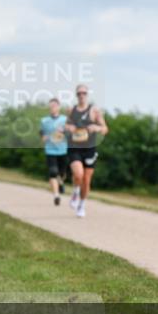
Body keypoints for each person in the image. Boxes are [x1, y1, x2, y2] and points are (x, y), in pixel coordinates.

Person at [65, 84, 108, 218]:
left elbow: (105, 129)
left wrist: (97, 127)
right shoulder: (71, 110)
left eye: (84, 93)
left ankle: (81, 205)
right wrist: (69, 128)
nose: (81, 95)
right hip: (74, 147)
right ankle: (76, 192)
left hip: (89, 149)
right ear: (76, 95)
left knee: (87, 180)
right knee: (78, 174)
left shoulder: (95, 111)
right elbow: (66, 124)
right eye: (79, 93)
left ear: (87, 94)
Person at [40, 98, 69, 205]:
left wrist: (64, 132)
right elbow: (42, 135)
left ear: (59, 107)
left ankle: (61, 182)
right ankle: (56, 195)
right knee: (53, 172)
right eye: (50, 106)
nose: (52, 108)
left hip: (63, 150)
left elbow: (70, 133)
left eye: (54, 106)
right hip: (50, 150)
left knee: (62, 174)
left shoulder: (65, 119)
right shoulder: (44, 121)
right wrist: (46, 137)